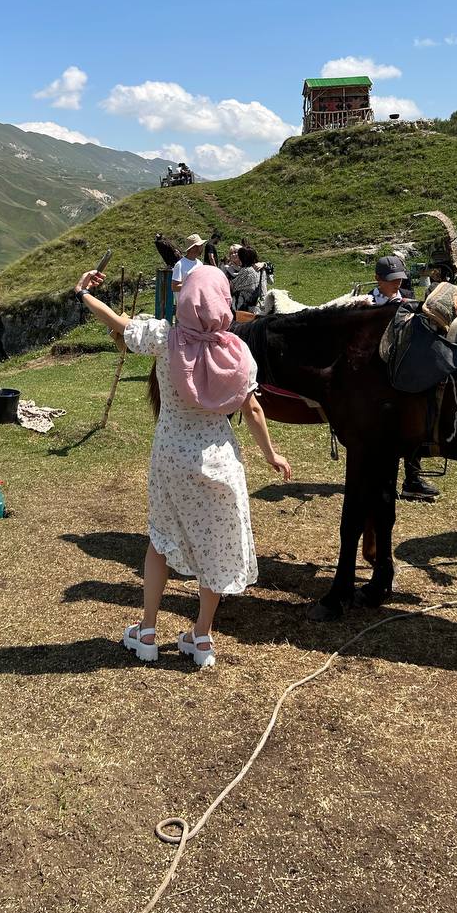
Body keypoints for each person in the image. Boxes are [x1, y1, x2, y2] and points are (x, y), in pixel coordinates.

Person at [72, 263, 292, 667]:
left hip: (172, 455)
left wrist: (83, 293)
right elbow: (254, 408)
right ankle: (202, 638)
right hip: (221, 459)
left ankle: (148, 631)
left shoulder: (164, 338)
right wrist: (271, 455)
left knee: (160, 539)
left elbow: (117, 323)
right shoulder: (237, 351)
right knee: (217, 546)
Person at [369, 254, 440, 502]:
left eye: (400, 278)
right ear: (378, 279)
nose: (396, 284)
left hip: (406, 376)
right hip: (376, 378)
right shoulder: (365, 305)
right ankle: (379, 477)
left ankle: (413, 479)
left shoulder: (409, 302)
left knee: (411, 427)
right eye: (391, 280)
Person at [229, 246, 268, 313]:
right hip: (259, 305)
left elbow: (232, 287)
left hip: (244, 307)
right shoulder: (261, 269)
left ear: (243, 258)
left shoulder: (246, 271)